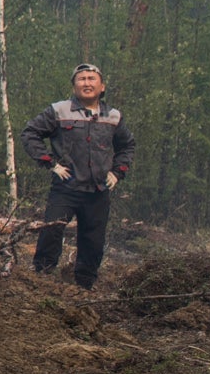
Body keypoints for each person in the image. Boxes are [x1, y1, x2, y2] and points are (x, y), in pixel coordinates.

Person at [22, 63, 134, 288]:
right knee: (51, 232)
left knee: (93, 242)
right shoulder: (59, 111)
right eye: (81, 79)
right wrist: (50, 163)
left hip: (98, 191)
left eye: (92, 79)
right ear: (74, 86)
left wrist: (117, 172)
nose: (87, 83)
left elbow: (127, 146)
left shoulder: (113, 116)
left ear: (102, 86)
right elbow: (30, 133)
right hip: (66, 187)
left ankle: (84, 287)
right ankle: (40, 280)